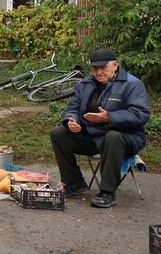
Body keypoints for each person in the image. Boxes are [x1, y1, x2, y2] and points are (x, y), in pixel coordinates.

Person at [50, 49, 150, 208]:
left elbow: (140, 114)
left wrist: (110, 117)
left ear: (115, 65)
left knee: (112, 137)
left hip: (125, 138)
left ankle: (107, 192)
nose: (99, 72)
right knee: (58, 133)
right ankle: (74, 182)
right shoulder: (84, 84)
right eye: (95, 69)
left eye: (103, 68)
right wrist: (72, 121)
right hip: (91, 137)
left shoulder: (132, 84)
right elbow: (73, 108)